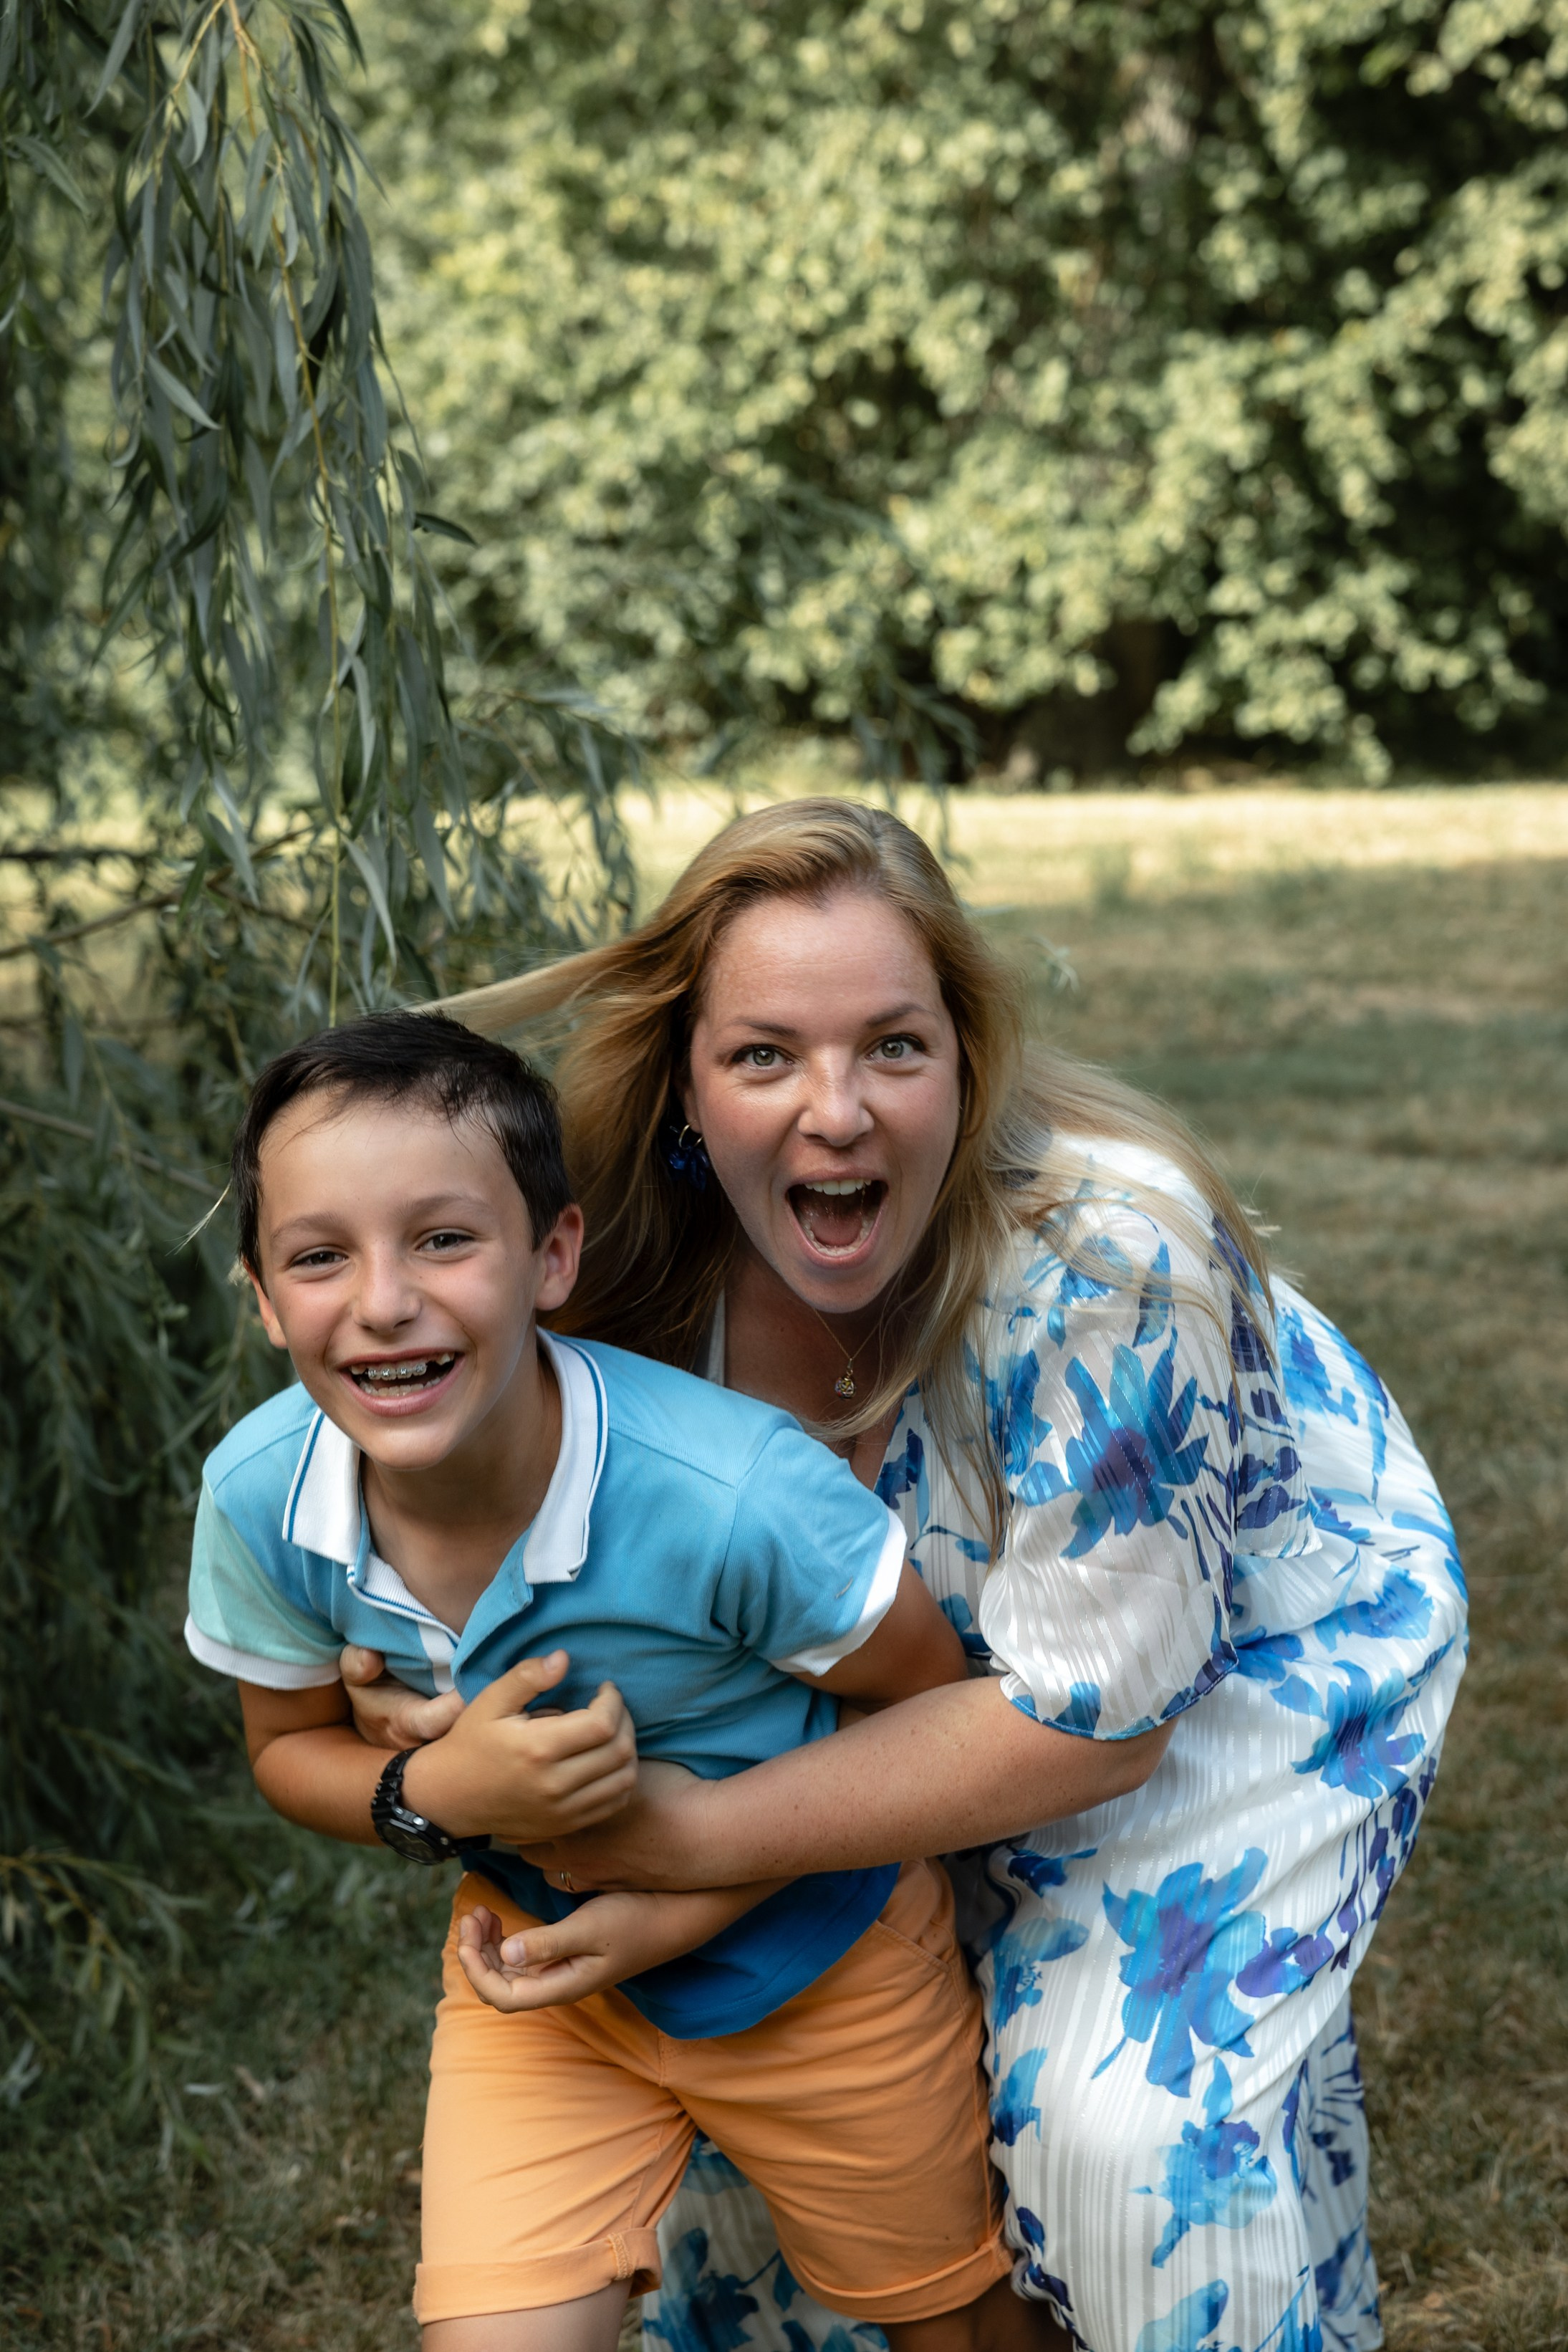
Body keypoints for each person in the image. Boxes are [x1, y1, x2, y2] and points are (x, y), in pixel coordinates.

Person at [347, 800, 1466, 2352]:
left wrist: (698, 1843)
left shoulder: (1108, 1259)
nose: (838, 1113)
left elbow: (1094, 1725)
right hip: (927, 1673)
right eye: (764, 1056)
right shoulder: (610, 1289)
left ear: (966, 1060)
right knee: (776, 2086)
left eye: (893, 1046)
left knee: (1119, 2122)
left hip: (1229, 1637)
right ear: (682, 1083)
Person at [183, 1008, 1027, 2352]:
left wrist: (689, 1900)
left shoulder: (732, 1496)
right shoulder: (255, 1497)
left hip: (825, 1956)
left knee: (958, 2329)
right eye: (319, 1256)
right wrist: (427, 1789)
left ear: (552, 1254)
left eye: (445, 1238)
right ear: (263, 1294)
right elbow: (287, 1747)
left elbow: (928, 1709)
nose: (384, 1300)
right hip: (539, 1988)